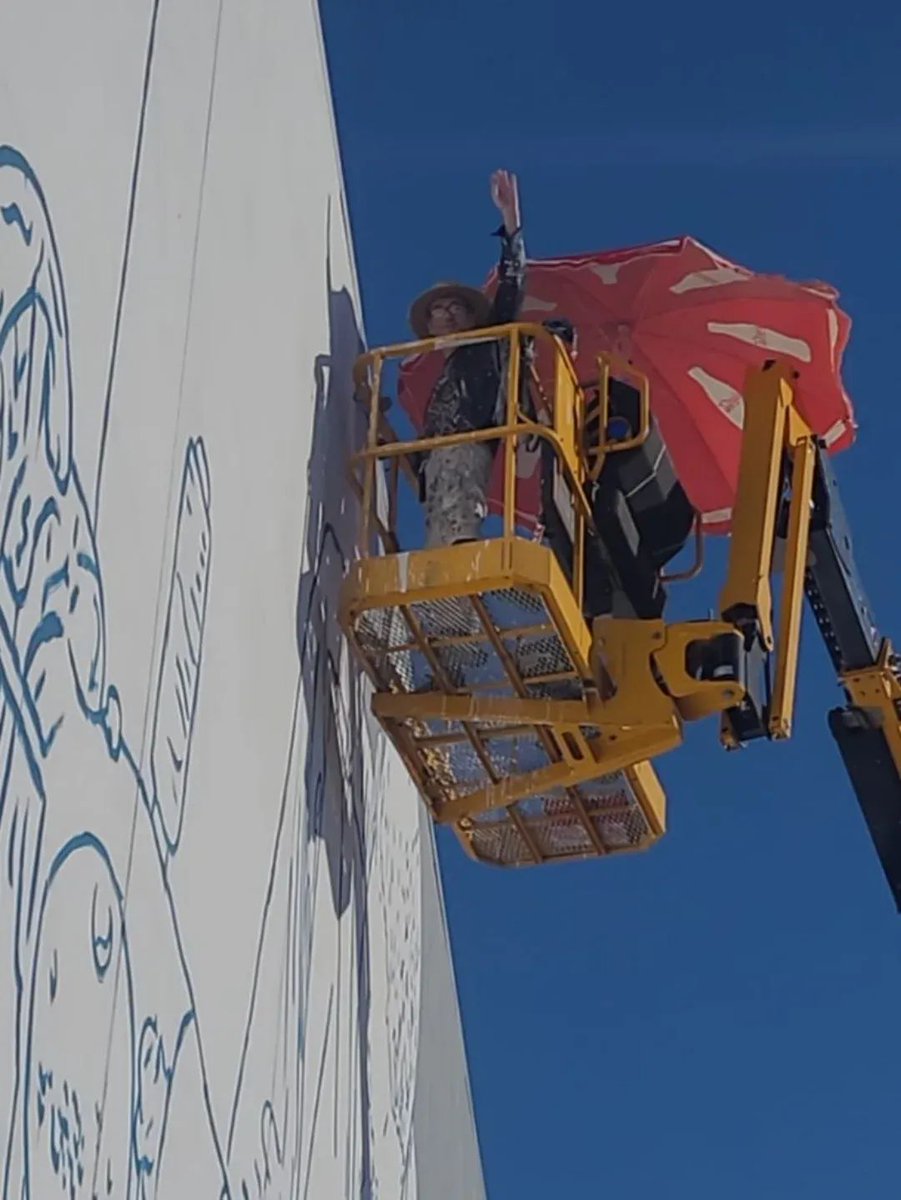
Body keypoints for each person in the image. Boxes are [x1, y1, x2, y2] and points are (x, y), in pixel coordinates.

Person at [407, 169, 526, 547]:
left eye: (456, 306)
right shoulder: (443, 376)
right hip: (438, 465)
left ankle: (463, 581)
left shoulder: (487, 345)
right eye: (439, 310)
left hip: (466, 449)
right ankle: (448, 596)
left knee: (458, 532)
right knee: (439, 535)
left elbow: (512, 284)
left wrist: (511, 221)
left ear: (473, 316)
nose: (448, 314)